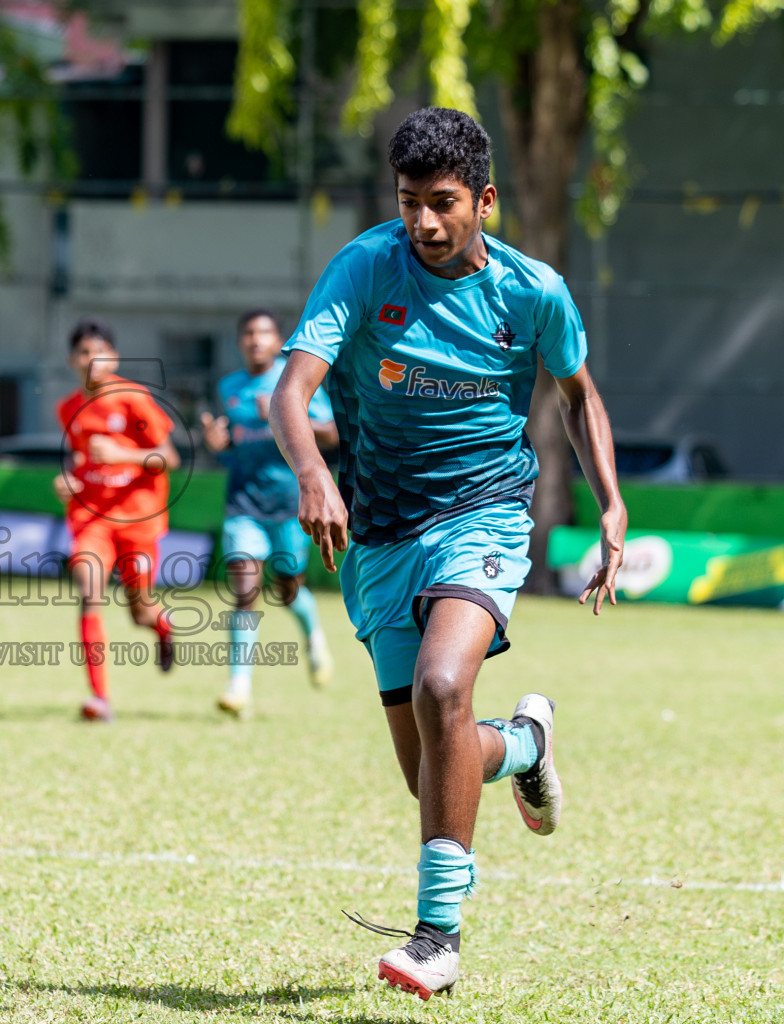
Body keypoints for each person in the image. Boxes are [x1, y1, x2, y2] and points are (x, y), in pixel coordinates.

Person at [270, 107, 625, 1000]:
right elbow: (292, 390)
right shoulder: (365, 265)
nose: (423, 223)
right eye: (408, 202)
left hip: (484, 514)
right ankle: (527, 742)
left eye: (442, 203)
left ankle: (437, 938)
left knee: (441, 688)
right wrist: (314, 474)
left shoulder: (531, 291)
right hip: (380, 536)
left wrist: (612, 504)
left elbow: (578, 396)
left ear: (485, 200)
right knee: (435, 765)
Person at [200, 309, 338, 718]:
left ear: (278, 339)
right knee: (245, 591)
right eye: (247, 333)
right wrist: (216, 443)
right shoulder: (228, 386)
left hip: (290, 503)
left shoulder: (293, 378)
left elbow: (331, 433)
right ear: (240, 340)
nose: (255, 340)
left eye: (263, 333)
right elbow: (227, 440)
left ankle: (313, 637)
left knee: (287, 589)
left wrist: (282, 416)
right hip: (243, 503)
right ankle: (238, 685)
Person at [54, 317, 180, 722]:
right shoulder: (69, 408)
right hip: (93, 520)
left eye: (100, 352)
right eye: (84, 352)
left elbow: (170, 458)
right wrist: (71, 480)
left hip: (139, 519)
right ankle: (100, 699)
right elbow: (80, 458)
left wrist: (124, 455)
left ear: (115, 357)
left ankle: (161, 626)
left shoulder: (133, 399)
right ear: (73, 359)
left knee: (139, 611)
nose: (92, 359)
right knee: (88, 592)